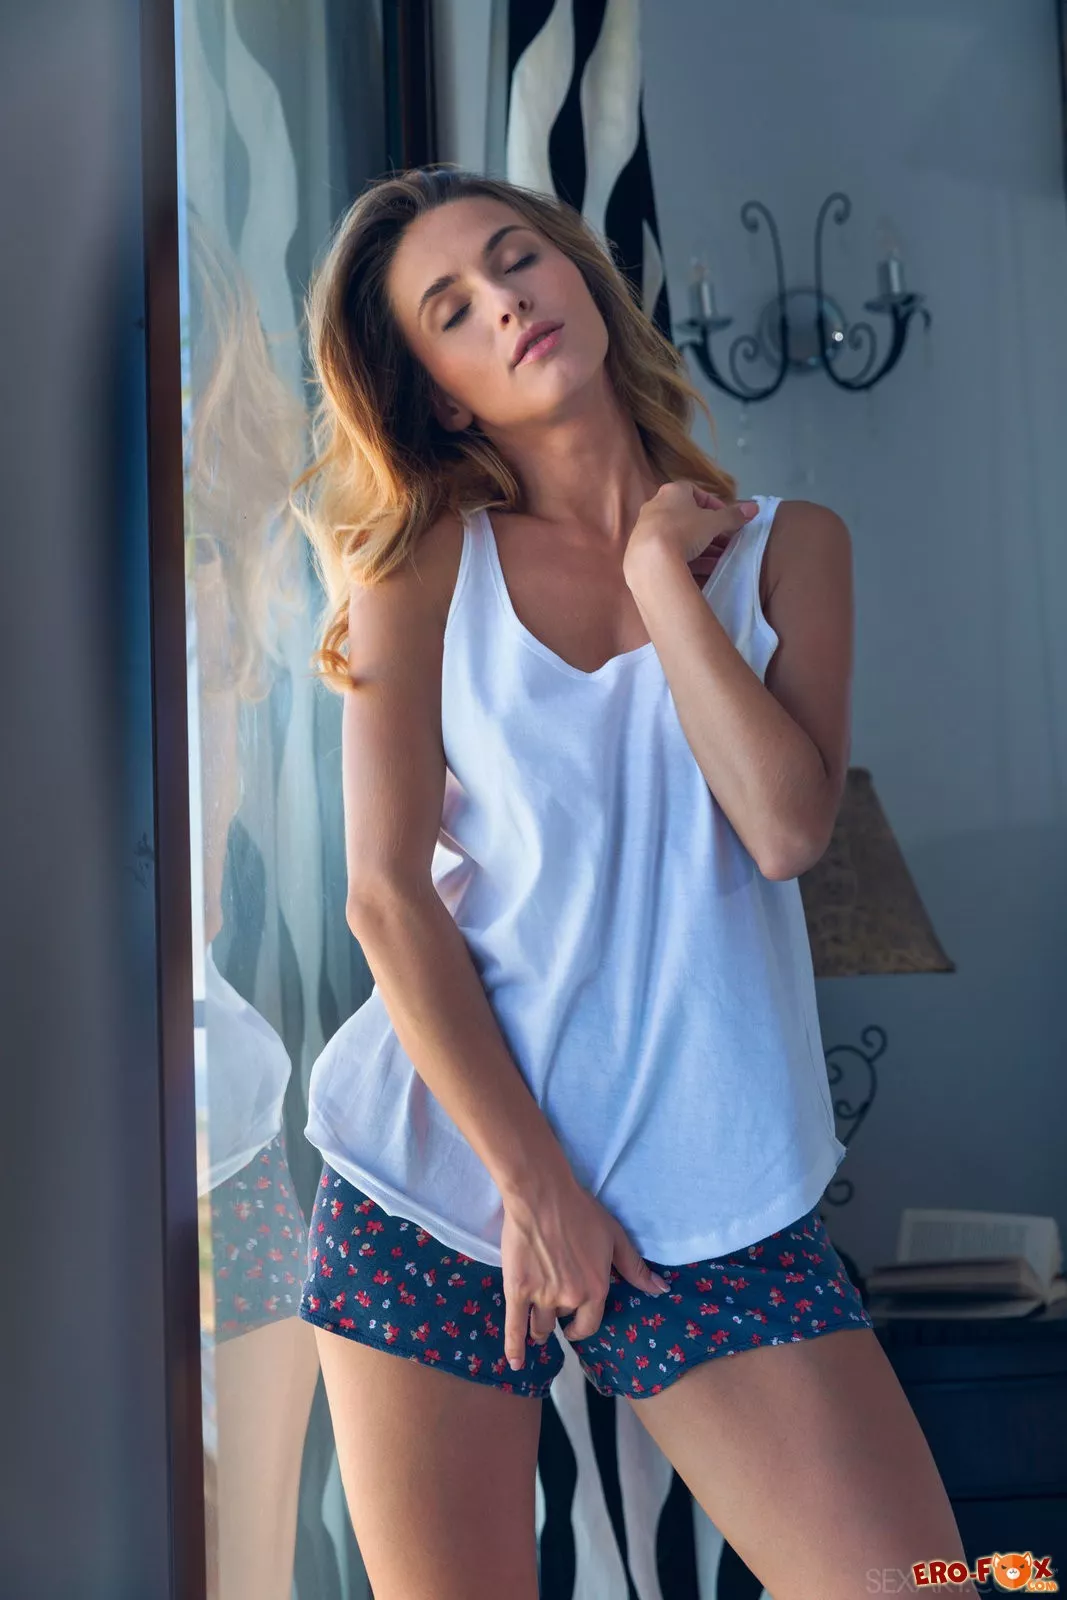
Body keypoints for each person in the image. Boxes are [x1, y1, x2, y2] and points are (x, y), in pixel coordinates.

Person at [289, 166, 977, 1600]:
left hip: (711, 1192)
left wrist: (663, 575)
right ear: (443, 397)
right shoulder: (418, 571)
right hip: (443, 1181)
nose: (505, 303)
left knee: (937, 1586)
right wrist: (535, 1186)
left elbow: (784, 830)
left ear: (581, 278)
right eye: (452, 310)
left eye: (515, 259)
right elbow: (383, 898)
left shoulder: (788, 548)